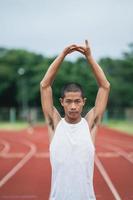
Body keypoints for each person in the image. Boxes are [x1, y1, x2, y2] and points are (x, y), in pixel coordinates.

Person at [40, 40, 110, 200]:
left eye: (77, 101)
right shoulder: (55, 124)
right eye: (69, 101)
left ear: (83, 102)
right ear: (61, 102)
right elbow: (45, 85)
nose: (73, 106)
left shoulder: (90, 124)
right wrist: (63, 55)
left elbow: (105, 86)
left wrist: (89, 57)